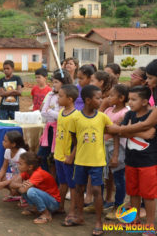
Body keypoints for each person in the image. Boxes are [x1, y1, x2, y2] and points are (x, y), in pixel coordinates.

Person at [68, 85, 114, 235]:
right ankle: (80, 216)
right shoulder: (75, 118)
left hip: (98, 161)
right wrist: (78, 152)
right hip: (80, 161)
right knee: (79, 188)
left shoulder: (102, 117)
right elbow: (74, 137)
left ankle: (98, 221)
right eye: (98, 98)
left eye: (101, 97)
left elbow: (115, 132)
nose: (101, 100)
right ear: (88, 100)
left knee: (96, 189)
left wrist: (115, 154)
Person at [120, 86, 157, 231]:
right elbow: (122, 133)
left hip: (148, 162)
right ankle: (134, 220)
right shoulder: (129, 115)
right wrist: (139, 132)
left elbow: (151, 134)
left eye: (134, 99)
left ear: (144, 102)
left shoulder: (153, 116)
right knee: (133, 192)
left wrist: (129, 130)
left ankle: (150, 224)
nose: (130, 102)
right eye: (129, 99)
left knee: (148, 195)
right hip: (131, 161)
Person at [10, 153, 61, 224]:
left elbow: (22, 189)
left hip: (53, 203)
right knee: (25, 189)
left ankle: (46, 214)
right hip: (47, 201)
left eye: (21, 164)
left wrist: (20, 186)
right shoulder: (26, 172)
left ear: (30, 167)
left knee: (31, 191)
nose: (18, 166)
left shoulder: (38, 173)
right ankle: (36, 209)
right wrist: (21, 184)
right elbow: (12, 184)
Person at [54, 84, 79, 226]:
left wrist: (71, 156)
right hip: (59, 155)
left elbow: (77, 140)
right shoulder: (61, 112)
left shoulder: (76, 116)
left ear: (70, 99)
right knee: (62, 182)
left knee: (73, 185)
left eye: (61, 96)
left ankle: (73, 211)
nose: (58, 98)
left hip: (68, 158)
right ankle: (61, 206)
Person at [103, 84, 129, 220]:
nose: (108, 97)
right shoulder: (108, 110)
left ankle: (119, 207)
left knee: (119, 178)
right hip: (105, 146)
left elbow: (117, 134)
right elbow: (105, 127)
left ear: (121, 98)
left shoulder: (124, 113)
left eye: (112, 95)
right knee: (107, 177)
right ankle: (108, 202)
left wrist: (114, 154)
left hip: (116, 149)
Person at [38, 69, 71, 173]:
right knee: (41, 155)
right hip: (49, 129)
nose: (54, 84)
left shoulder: (66, 97)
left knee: (56, 158)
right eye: (53, 82)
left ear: (64, 83)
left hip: (60, 131)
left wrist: (50, 112)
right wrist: (52, 113)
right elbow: (43, 112)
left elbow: (62, 116)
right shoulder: (51, 95)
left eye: (56, 82)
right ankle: (46, 177)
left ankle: (57, 182)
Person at [0, 130, 28, 201]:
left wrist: (4, 183)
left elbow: (21, 175)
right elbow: (3, 168)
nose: (3, 142)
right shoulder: (8, 151)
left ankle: (19, 194)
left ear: (13, 144)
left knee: (14, 181)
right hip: (14, 176)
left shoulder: (22, 153)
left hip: (23, 178)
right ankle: (14, 193)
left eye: (5, 141)